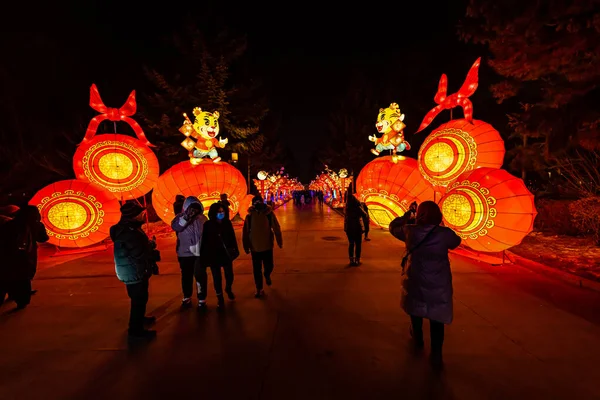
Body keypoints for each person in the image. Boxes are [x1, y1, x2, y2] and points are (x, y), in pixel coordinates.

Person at [389, 201, 461, 369]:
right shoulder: (445, 234)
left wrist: (408, 215)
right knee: (437, 318)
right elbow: (456, 241)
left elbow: (393, 227)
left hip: (416, 279)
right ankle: (436, 353)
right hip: (439, 282)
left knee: (416, 309)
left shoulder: (410, 231)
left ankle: (418, 339)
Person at [110, 203, 158, 339]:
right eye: (140, 214)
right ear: (133, 216)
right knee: (139, 299)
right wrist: (150, 247)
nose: (143, 215)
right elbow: (139, 252)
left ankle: (140, 319)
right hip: (134, 270)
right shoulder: (129, 233)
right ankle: (136, 330)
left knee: (139, 298)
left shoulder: (125, 229)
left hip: (131, 270)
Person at [0, 205, 49, 309]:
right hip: (26, 256)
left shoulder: (10, 224)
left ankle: (13, 294)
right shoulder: (35, 225)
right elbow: (43, 238)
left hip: (8, 256)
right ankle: (21, 300)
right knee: (23, 278)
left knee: (8, 277)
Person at [200, 203, 239, 309]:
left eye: (223, 211)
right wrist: (203, 256)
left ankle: (228, 288)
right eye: (219, 212)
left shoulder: (227, 223)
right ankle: (220, 298)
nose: (221, 213)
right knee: (217, 277)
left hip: (225, 253)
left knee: (229, 274)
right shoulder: (207, 225)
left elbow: (232, 237)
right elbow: (204, 241)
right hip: (214, 254)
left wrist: (235, 249)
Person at [171, 197, 208, 309]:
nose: (194, 211)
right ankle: (187, 297)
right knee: (186, 276)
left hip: (199, 253)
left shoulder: (202, 219)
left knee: (200, 276)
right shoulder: (180, 218)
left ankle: (202, 298)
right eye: (192, 208)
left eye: (196, 208)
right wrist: (187, 217)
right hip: (185, 253)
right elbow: (176, 226)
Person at [243, 195, 283, 298]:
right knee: (256, 269)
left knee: (269, 265)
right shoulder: (249, 216)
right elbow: (246, 232)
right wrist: (246, 245)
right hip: (254, 247)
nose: (257, 204)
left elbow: (276, 227)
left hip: (267, 245)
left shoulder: (269, 214)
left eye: (259, 202)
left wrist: (279, 241)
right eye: (255, 202)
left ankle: (267, 274)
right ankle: (259, 289)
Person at [344, 193, 366, 266]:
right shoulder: (357, 206)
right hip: (357, 227)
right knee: (358, 244)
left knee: (351, 244)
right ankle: (357, 260)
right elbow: (364, 215)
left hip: (349, 228)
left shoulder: (347, 208)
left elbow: (346, 219)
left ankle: (351, 260)